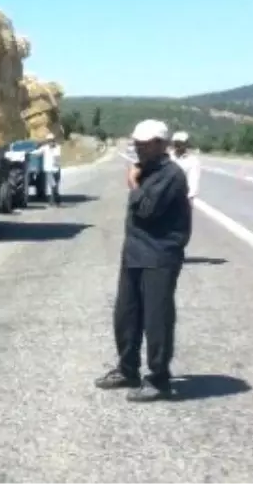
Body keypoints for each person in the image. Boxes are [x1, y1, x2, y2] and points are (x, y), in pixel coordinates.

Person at [95, 119, 192, 402]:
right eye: (137, 144)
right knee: (126, 314)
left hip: (160, 255)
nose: (139, 149)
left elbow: (147, 210)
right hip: (135, 253)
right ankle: (128, 369)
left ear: (161, 145)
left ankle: (159, 379)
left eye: (145, 145)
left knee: (156, 319)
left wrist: (133, 184)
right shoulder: (148, 169)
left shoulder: (171, 174)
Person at [33, 133, 63, 206]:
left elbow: (57, 158)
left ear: (54, 140)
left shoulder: (58, 147)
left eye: (52, 140)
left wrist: (57, 167)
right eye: (49, 141)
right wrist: (31, 151)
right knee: (53, 185)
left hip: (56, 170)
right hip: (48, 170)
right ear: (47, 141)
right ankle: (55, 200)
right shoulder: (45, 148)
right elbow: (37, 153)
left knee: (55, 186)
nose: (51, 142)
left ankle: (54, 201)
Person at [171, 131, 201, 200]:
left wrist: (190, 197)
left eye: (181, 143)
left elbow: (193, 180)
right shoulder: (168, 157)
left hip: (182, 197)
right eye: (176, 142)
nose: (178, 145)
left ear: (186, 144)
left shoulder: (192, 161)